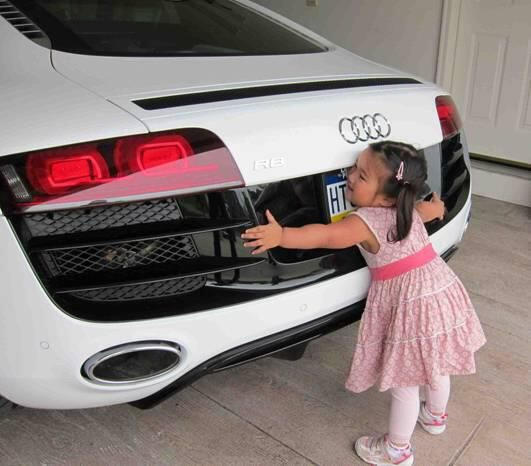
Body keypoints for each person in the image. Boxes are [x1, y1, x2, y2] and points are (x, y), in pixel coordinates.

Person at [241, 141, 486, 466]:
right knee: (436, 364)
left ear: (385, 197)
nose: (350, 176)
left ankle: (396, 450)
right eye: (354, 168)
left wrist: (282, 236)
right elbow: (430, 211)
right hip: (439, 291)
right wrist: (439, 209)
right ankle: (435, 417)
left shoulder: (364, 221)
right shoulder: (409, 208)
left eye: (362, 175)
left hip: (411, 304)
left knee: (405, 382)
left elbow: (324, 235)